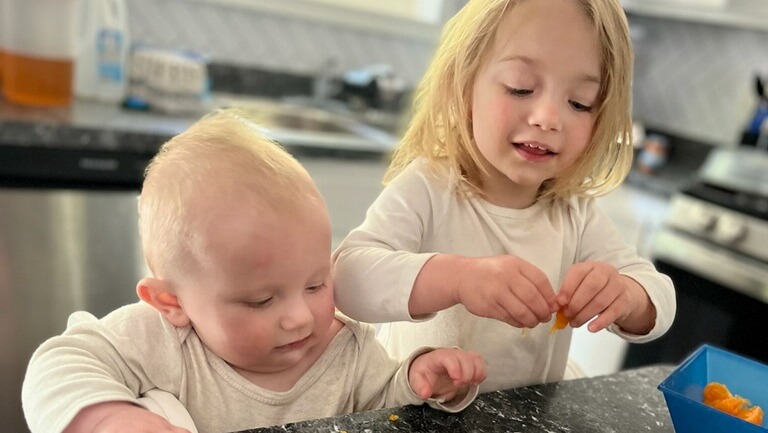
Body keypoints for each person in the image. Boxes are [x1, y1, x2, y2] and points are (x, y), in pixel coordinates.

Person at [21, 109, 487, 433]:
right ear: (172, 303)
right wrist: (108, 418)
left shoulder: (345, 348)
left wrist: (423, 380)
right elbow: (59, 362)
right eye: (261, 300)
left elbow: (383, 405)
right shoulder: (162, 340)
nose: (300, 317)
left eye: (315, 284)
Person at [332, 0, 676, 393]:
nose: (548, 118)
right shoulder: (429, 187)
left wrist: (627, 295)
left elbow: (660, 299)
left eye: (579, 102)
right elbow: (347, 278)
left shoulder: (575, 213)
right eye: (520, 87)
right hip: (412, 410)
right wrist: (458, 278)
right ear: (464, 86)